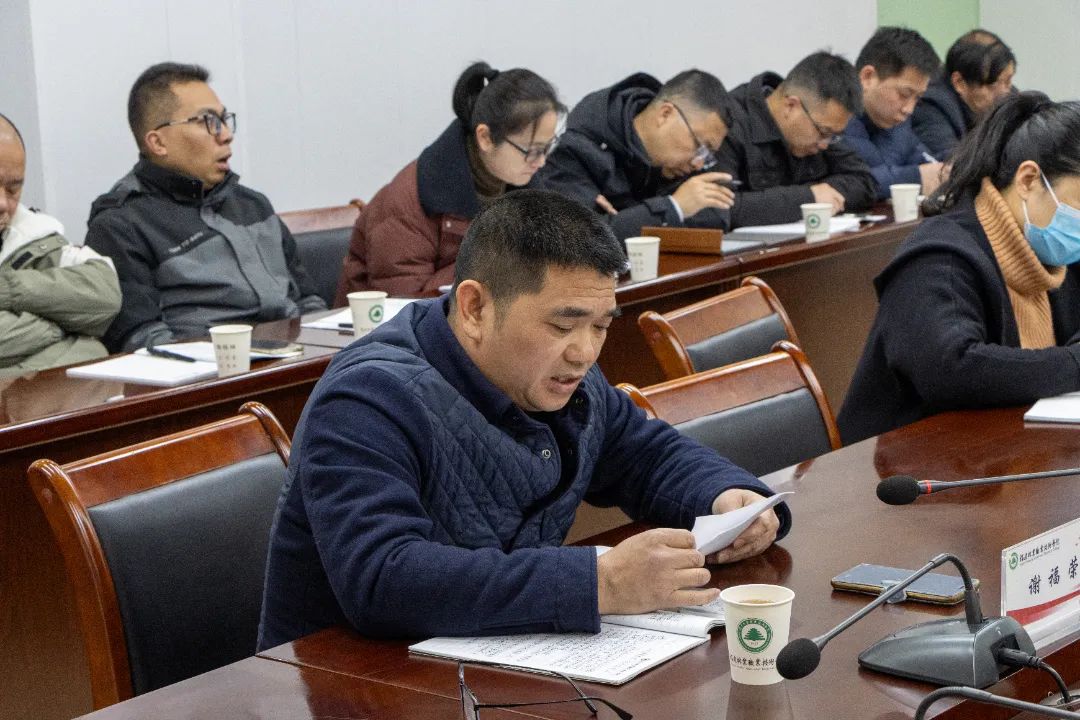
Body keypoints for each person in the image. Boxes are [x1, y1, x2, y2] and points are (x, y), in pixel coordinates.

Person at [258, 189, 791, 647]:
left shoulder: (565, 378)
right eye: (562, 325)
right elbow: (384, 578)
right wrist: (599, 583)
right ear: (475, 308)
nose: (584, 352)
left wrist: (726, 494)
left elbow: (643, 454)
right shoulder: (367, 398)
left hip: (487, 659)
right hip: (346, 682)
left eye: (601, 326)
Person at [838, 93, 1080, 444]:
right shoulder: (939, 258)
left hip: (1009, 449)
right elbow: (951, 368)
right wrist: (1074, 364)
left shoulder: (1058, 254)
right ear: (1028, 180)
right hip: (910, 462)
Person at [85, 62, 326, 353]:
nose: (225, 134)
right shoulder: (121, 224)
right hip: (215, 369)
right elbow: (144, 342)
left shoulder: (253, 205)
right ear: (158, 143)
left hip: (296, 358)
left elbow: (309, 302)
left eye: (224, 120)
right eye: (207, 121)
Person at [335, 62, 563, 303]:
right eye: (532, 150)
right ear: (485, 138)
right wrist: (495, 260)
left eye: (547, 148)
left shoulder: (526, 187)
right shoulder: (407, 205)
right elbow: (407, 308)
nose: (541, 162)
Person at [535, 69, 738, 239]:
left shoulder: (680, 163)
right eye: (699, 145)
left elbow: (717, 217)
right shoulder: (576, 149)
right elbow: (582, 239)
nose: (699, 163)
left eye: (708, 153)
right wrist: (673, 207)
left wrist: (628, 220)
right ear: (665, 114)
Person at [0, 113, 121, 375]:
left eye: (13, 189)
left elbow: (103, 295)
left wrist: (7, 290)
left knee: (91, 353)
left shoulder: (31, 234)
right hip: (33, 392)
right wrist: (59, 328)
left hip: (31, 396)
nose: (3, 204)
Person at [716, 52, 876, 227]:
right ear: (791, 106)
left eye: (834, 135)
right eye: (823, 132)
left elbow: (865, 182)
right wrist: (809, 197)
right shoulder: (726, 124)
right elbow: (718, 209)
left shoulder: (822, 125)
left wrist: (821, 193)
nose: (825, 144)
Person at [843, 27, 946, 200]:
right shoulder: (833, 119)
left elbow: (927, 163)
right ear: (867, 77)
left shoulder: (898, 123)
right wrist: (915, 177)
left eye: (917, 98)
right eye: (904, 94)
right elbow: (853, 182)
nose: (909, 109)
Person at [912, 29, 1017, 160]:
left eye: (1008, 80)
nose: (1005, 92)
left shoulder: (1009, 94)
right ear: (959, 82)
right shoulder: (931, 106)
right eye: (992, 85)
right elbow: (953, 164)